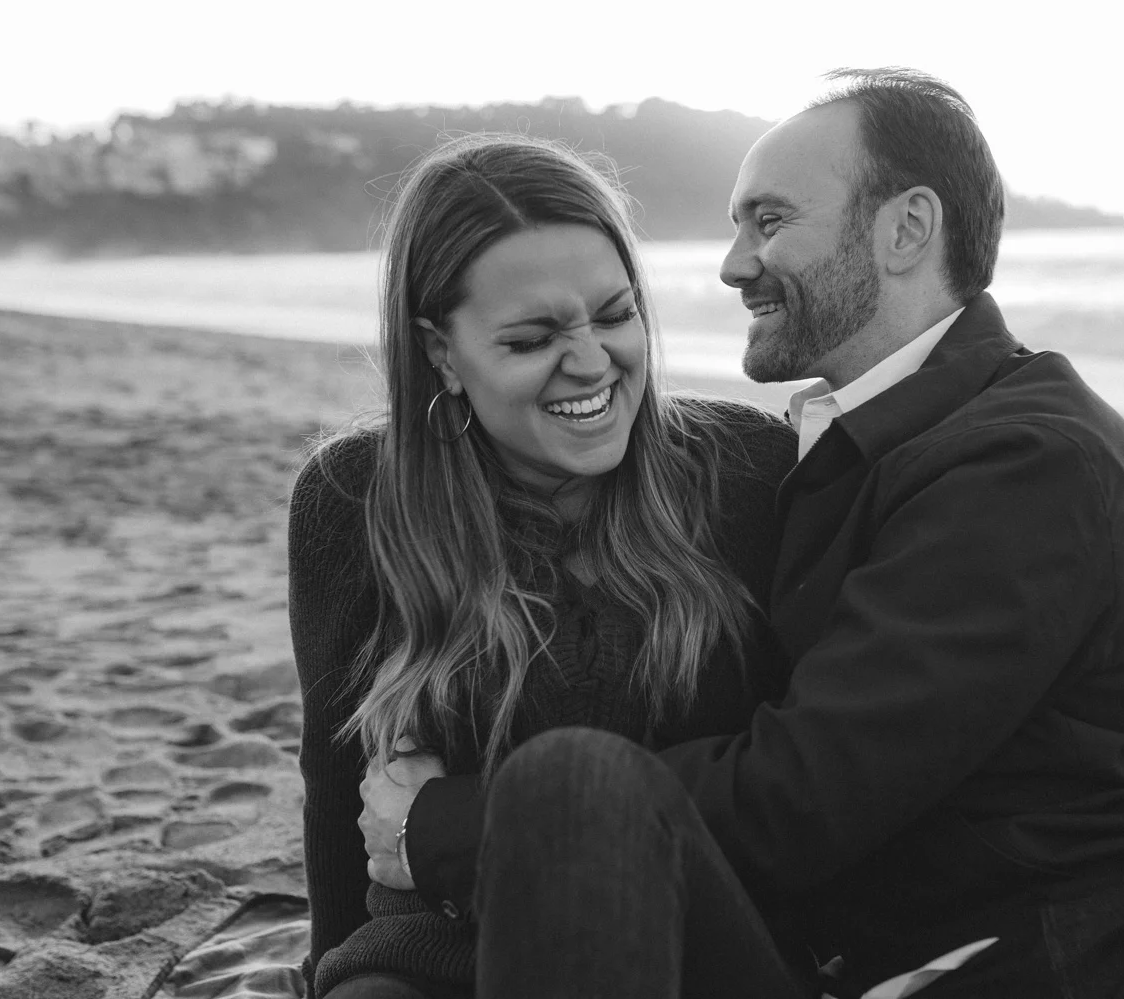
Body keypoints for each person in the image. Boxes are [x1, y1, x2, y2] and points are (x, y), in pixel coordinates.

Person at [375, 69, 1124, 999]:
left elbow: (806, 792)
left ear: (906, 229)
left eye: (769, 220)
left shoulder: (1029, 459)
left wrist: (445, 829)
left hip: (1118, 958)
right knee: (575, 785)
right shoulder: (826, 450)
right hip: (871, 963)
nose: (734, 264)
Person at [286, 133, 799, 998]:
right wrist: (333, 969)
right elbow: (335, 787)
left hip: (685, 952)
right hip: (431, 953)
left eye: (615, 315)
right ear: (441, 353)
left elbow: (803, 775)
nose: (592, 362)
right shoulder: (355, 495)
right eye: (531, 339)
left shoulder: (748, 471)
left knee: (575, 778)